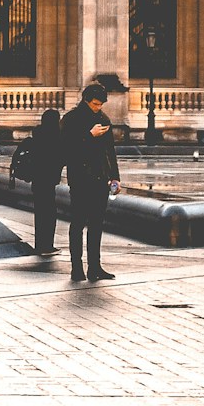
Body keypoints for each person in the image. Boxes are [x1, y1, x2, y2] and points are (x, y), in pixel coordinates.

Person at [60, 84, 119, 282]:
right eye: (95, 104)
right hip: (80, 179)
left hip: (100, 179)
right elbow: (65, 149)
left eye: (101, 104)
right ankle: (76, 267)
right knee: (77, 223)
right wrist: (88, 135)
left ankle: (95, 266)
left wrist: (115, 177)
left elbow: (110, 151)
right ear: (86, 99)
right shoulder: (71, 119)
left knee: (96, 224)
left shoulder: (103, 118)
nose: (98, 107)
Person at [20, 108, 65, 257]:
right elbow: (61, 158)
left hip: (37, 180)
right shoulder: (55, 137)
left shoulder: (38, 134)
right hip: (48, 180)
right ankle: (47, 246)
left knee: (40, 213)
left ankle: (40, 245)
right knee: (50, 213)